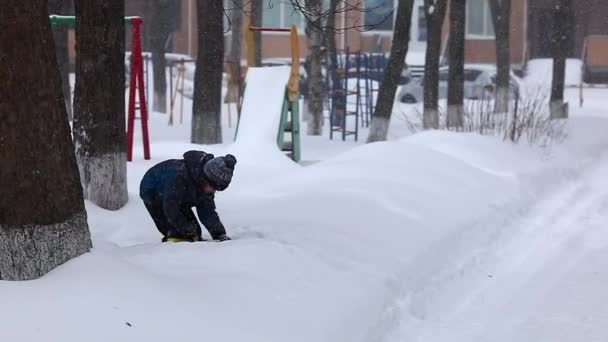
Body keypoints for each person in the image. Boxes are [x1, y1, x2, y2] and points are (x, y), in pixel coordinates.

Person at [139, 150, 236, 242]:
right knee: (178, 232)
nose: (213, 191)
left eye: (217, 189)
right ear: (205, 178)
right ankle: (173, 249)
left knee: (195, 232)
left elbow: (207, 212)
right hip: (153, 192)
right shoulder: (180, 177)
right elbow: (170, 207)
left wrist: (219, 234)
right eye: (213, 187)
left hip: (179, 197)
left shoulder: (205, 186)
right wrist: (185, 227)